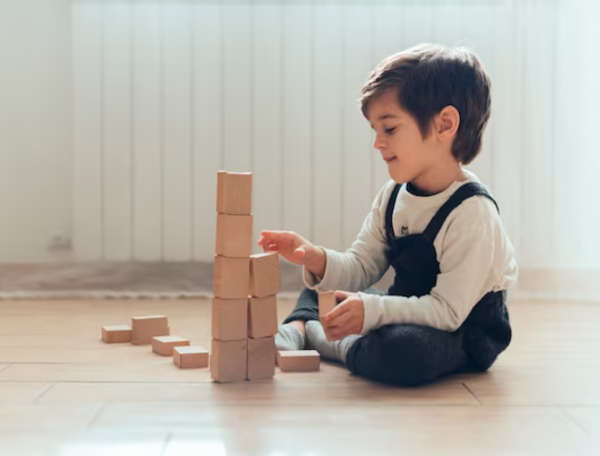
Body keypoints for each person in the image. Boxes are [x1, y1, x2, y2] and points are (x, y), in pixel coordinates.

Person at [258, 43, 518, 386]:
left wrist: (371, 312)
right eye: (376, 131)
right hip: (406, 307)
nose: (378, 144)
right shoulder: (393, 196)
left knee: (406, 353)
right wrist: (315, 258)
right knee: (326, 290)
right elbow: (361, 267)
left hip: (462, 330)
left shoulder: (473, 214)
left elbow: (448, 312)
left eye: (390, 129)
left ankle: (321, 337)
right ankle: (302, 324)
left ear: (445, 124)